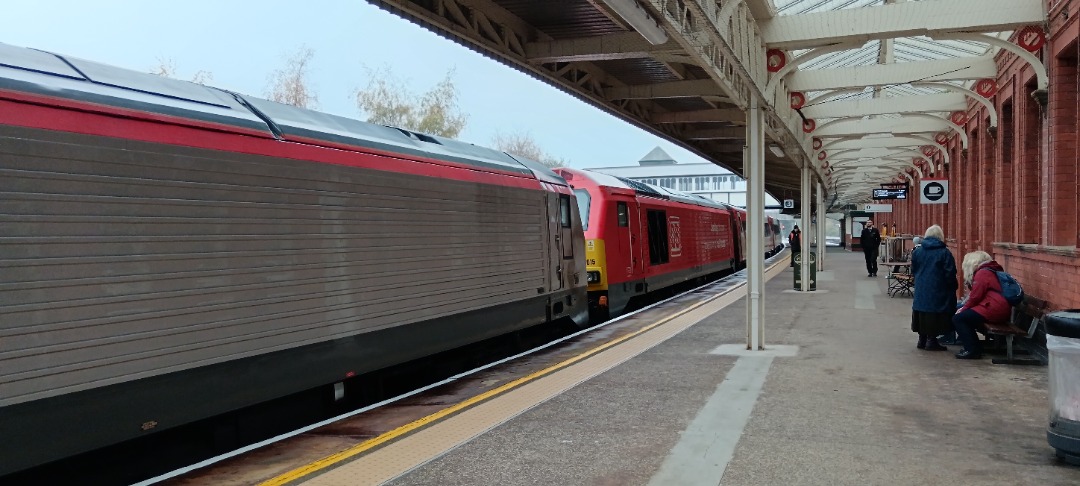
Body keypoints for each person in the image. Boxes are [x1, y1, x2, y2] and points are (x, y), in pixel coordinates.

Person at [952, 251, 1012, 359]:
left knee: (959, 318)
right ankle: (971, 345)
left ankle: (972, 349)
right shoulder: (990, 270)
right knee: (961, 315)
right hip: (995, 307)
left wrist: (963, 309)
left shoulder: (982, 273)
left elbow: (975, 297)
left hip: (993, 308)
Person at [910, 224, 957, 351]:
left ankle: (922, 339)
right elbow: (950, 272)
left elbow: (913, 269)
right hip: (938, 287)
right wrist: (952, 286)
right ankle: (931, 340)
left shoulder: (918, 251)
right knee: (934, 313)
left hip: (921, 286)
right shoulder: (944, 253)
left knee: (922, 311)